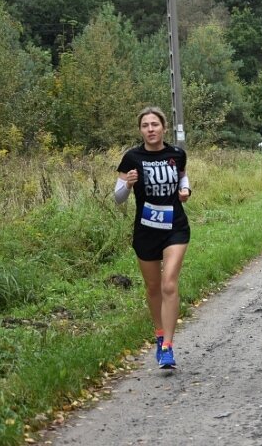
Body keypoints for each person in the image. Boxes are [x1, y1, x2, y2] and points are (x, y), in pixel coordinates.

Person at [115, 106, 192, 368]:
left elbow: (183, 178)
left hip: (175, 227)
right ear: (141, 130)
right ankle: (159, 334)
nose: (150, 129)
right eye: (145, 125)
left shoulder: (176, 154)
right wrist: (128, 185)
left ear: (163, 128)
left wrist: (185, 190)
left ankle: (168, 347)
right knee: (153, 287)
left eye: (155, 124)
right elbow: (117, 199)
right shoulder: (132, 158)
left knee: (169, 283)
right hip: (146, 229)